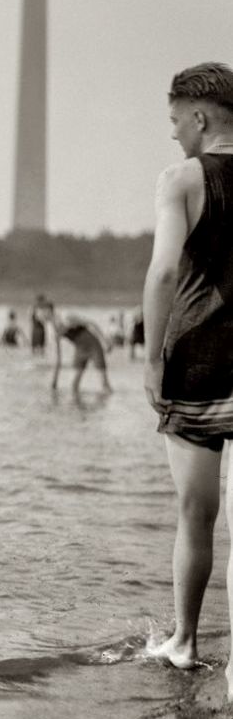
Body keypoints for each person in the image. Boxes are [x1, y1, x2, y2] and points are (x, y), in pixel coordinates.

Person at [140, 62, 233, 678]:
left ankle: (186, 642)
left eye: (176, 121)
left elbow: (165, 273)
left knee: (196, 513)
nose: (174, 133)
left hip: (199, 360)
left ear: (199, 118)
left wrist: (150, 358)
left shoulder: (183, 178)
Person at [39, 305, 113, 394]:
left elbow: (91, 323)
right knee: (73, 386)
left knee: (104, 384)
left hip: (94, 346)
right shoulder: (51, 328)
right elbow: (58, 355)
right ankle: (77, 406)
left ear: (48, 310)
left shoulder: (65, 316)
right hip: (80, 349)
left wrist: (104, 341)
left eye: (39, 312)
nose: (38, 315)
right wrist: (55, 380)